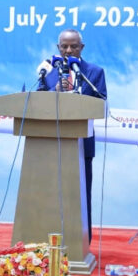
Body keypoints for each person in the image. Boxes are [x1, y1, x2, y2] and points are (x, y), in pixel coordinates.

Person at [40, 29, 107, 242]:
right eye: (64, 46)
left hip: (81, 145)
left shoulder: (94, 72)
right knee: (49, 195)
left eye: (74, 46)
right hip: (50, 145)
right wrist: (55, 91)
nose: (69, 50)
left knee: (81, 196)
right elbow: (37, 103)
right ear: (58, 47)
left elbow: (101, 104)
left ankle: (81, 243)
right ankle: (47, 243)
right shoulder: (47, 72)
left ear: (82, 48)